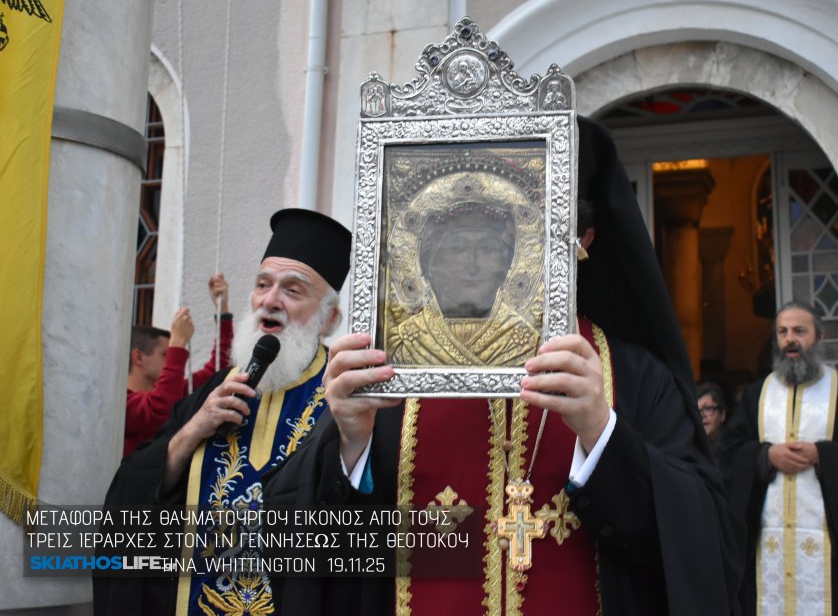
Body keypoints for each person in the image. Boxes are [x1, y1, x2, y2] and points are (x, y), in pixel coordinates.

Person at [263, 117, 744, 615]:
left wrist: (602, 434)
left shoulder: (635, 376)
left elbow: (708, 545)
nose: (477, 260)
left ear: (584, 241)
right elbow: (299, 543)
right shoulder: (389, 371)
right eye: (460, 239)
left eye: (503, 238)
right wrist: (350, 447)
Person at [94, 209, 352, 616]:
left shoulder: (342, 396)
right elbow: (131, 491)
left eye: (293, 290)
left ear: (330, 318)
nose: (270, 300)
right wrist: (189, 434)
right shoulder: (214, 391)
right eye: (263, 285)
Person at [720, 300, 838, 615]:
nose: (789, 340)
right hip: (766, 547)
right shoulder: (758, 395)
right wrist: (765, 456)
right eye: (782, 332)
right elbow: (729, 453)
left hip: (830, 552)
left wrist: (822, 454)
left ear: (819, 338)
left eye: (799, 331)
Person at [385, 182, 542, 368]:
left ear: (508, 263)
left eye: (487, 248)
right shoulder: (404, 344)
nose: (472, 266)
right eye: (457, 248)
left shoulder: (531, 345)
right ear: (429, 263)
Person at [124, 274, 233, 455]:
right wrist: (178, 345)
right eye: (165, 354)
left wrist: (223, 310)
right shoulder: (122, 405)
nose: (172, 359)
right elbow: (159, 409)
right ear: (138, 358)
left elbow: (218, 370)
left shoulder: (175, 392)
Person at [696, 381, 727, 457]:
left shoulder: (731, 449)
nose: (701, 415)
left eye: (707, 408)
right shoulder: (687, 447)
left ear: (722, 414)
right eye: (696, 410)